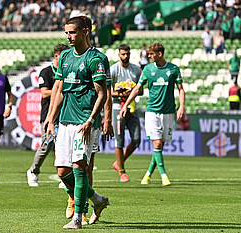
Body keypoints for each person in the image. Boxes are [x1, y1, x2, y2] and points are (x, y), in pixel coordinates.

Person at [46, 16, 109, 229]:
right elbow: (59, 91)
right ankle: (97, 200)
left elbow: (102, 94)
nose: (68, 36)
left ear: (85, 32)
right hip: (65, 120)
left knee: (80, 168)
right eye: (66, 33)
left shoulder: (96, 59)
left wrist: (92, 120)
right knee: (62, 172)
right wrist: (50, 117)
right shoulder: (64, 57)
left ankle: (77, 218)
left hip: (85, 122)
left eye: (72, 32)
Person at [120, 43, 185, 186]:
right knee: (156, 142)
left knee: (160, 145)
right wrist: (125, 104)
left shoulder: (173, 69)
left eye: (151, 54)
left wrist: (182, 107)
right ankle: (164, 176)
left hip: (168, 112)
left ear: (159, 54)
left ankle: (148, 174)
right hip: (152, 112)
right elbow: (137, 88)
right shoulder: (148, 69)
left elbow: (181, 89)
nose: (149, 56)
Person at [27, 44, 70, 187]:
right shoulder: (45, 72)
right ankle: (33, 171)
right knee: (46, 146)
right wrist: (62, 90)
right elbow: (45, 93)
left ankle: (64, 177)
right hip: (48, 116)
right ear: (57, 56)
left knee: (63, 147)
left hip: (65, 115)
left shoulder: (67, 71)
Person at [111, 44, 142, 183]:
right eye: (123, 54)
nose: (125, 56)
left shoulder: (136, 70)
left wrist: (132, 92)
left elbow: (140, 90)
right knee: (119, 140)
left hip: (132, 107)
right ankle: (122, 172)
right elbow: (107, 90)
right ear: (119, 54)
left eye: (127, 54)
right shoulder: (113, 69)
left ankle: (119, 162)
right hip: (118, 107)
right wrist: (119, 93)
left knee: (136, 139)